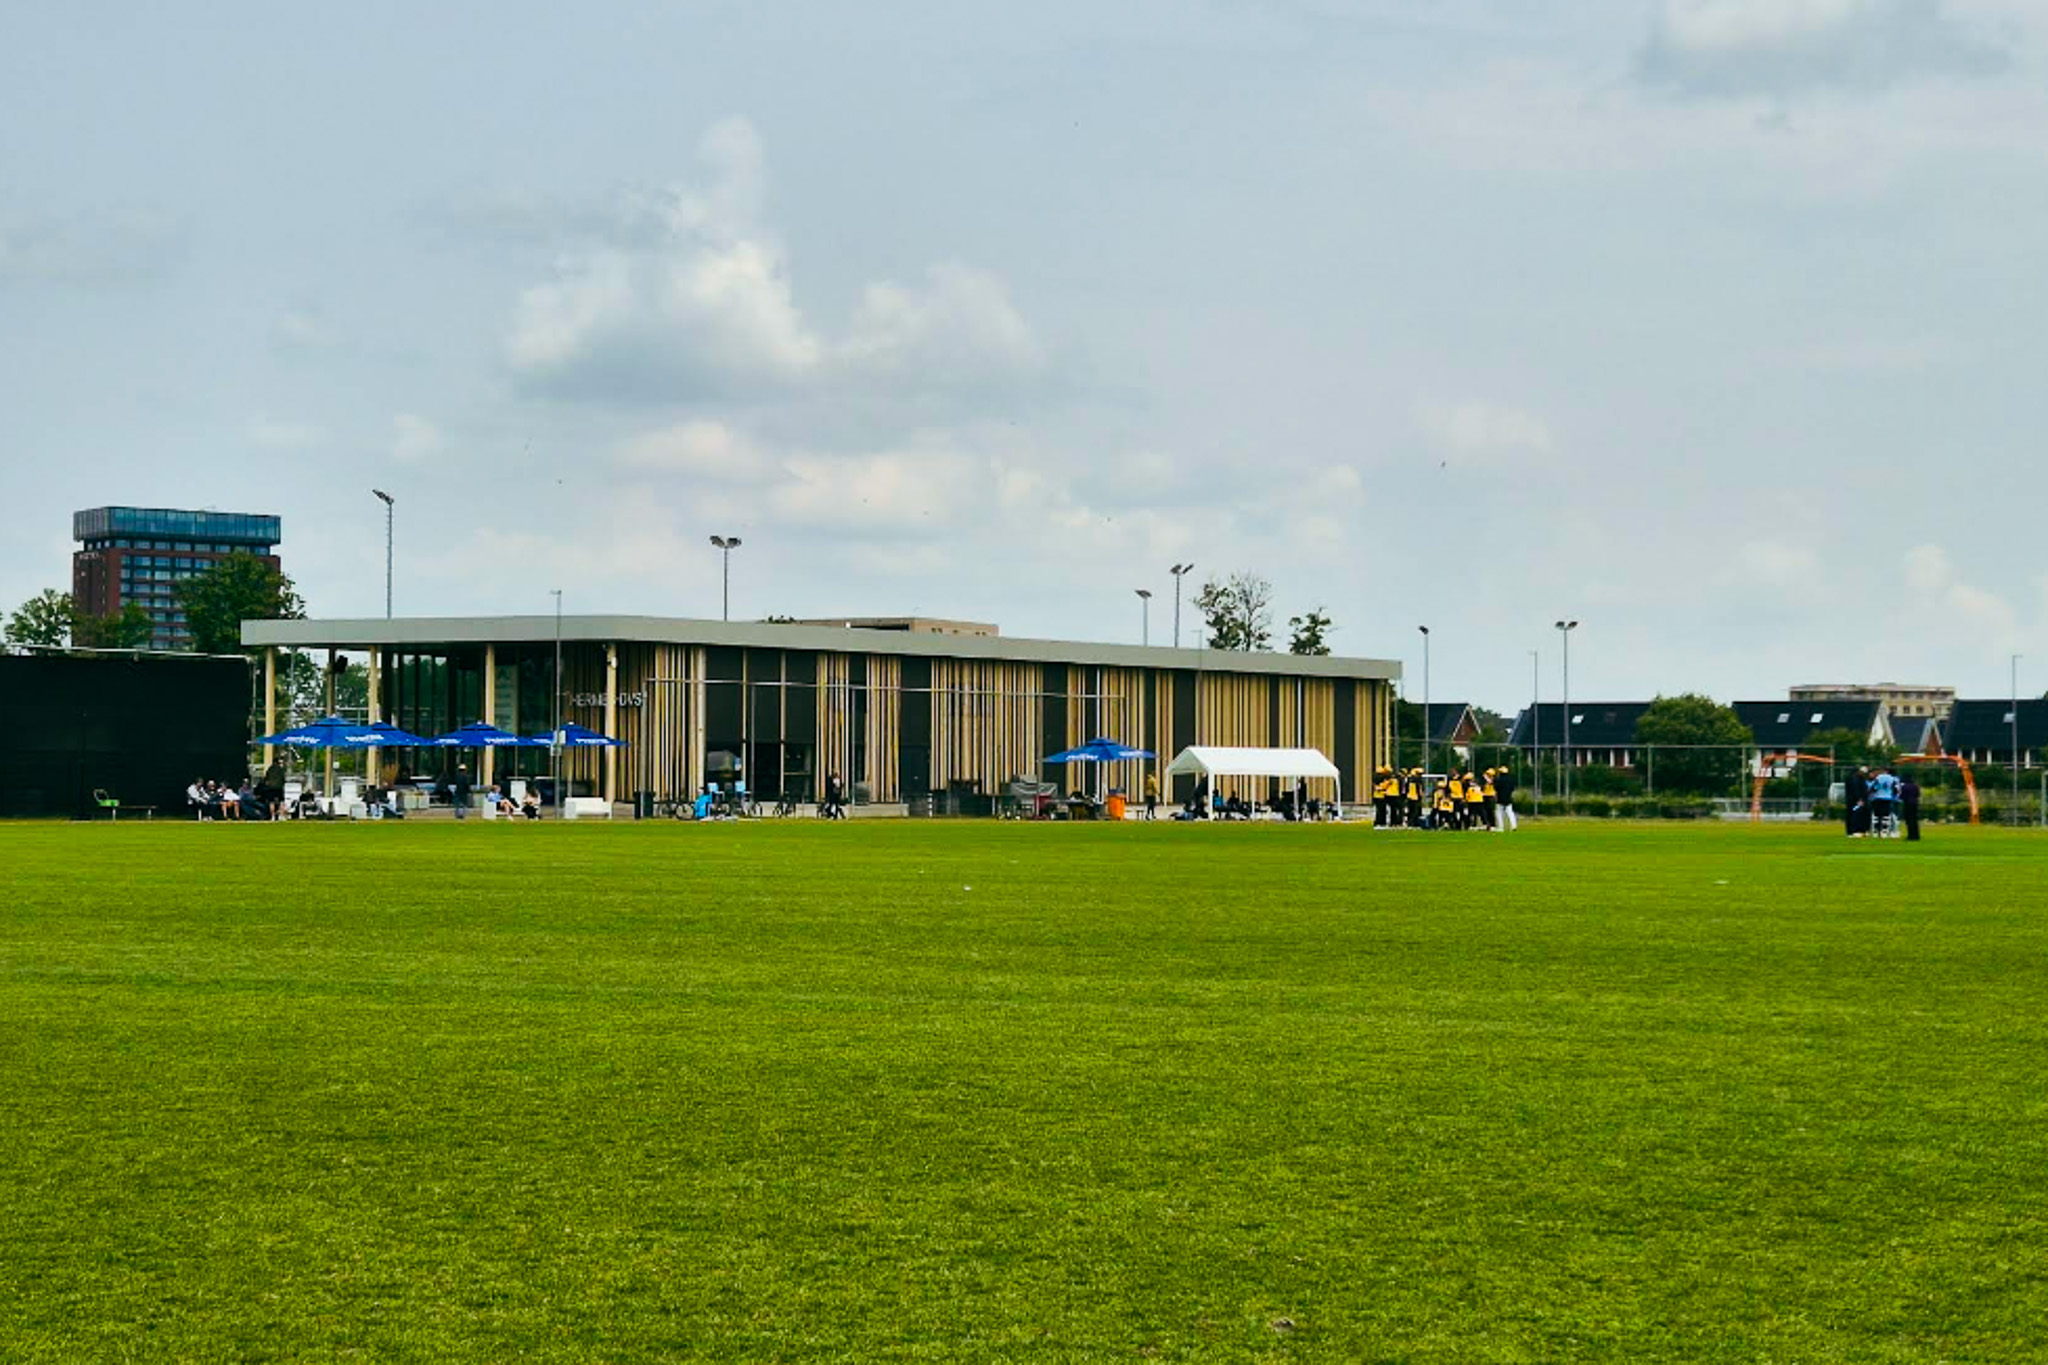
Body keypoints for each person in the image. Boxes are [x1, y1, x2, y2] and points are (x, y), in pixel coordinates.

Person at [1869, 767, 1900, 838]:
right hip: (1888, 798)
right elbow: (1896, 789)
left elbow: (1873, 787)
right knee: (1886, 815)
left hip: (1877, 798)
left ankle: (1876, 832)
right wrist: (1893, 796)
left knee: (1877, 815)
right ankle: (1884, 831)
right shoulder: (1892, 778)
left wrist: (1872, 794)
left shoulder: (1878, 778)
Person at [1844, 766, 1870, 838]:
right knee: (1855, 815)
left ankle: (1854, 831)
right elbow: (1856, 790)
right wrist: (1859, 799)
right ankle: (1854, 830)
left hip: (1853, 800)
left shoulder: (1852, 778)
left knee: (1854, 815)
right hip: (1855, 801)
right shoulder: (1856, 779)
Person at [1494, 763, 1519, 832]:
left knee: (1499, 813)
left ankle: (1501, 827)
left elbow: (1496, 788)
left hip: (1500, 798)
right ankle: (1513, 826)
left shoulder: (1499, 780)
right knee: (1510, 812)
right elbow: (1512, 788)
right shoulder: (1510, 780)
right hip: (1508, 798)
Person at [1900, 774, 1922, 842]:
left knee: (1909, 820)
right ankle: (1916, 835)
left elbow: (1902, 796)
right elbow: (1918, 794)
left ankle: (1910, 835)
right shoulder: (1916, 786)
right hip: (1915, 803)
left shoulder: (1904, 787)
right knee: (1914, 820)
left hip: (1907, 804)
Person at [1481, 768, 1498, 833]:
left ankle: (1492, 824)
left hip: (1491, 796)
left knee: (1491, 811)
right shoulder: (1484, 780)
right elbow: (1483, 786)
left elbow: (1491, 783)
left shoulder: (1493, 780)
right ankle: (1487, 824)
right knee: (1485, 811)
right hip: (1485, 795)